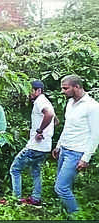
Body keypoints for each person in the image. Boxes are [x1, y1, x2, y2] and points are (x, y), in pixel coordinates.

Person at [52, 75, 99, 214]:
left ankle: (76, 215)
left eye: (65, 88)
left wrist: (86, 158)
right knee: (64, 185)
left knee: (61, 187)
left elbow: (95, 134)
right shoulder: (70, 103)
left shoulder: (92, 107)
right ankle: (64, 212)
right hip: (64, 149)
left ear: (77, 87)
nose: (62, 91)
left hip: (76, 152)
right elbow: (68, 127)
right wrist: (59, 145)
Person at [9, 80, 58, 206]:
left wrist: (39, 130)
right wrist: (46, 132)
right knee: (36, 171)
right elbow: (55, 121)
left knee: (15, 169)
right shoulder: (46, 101)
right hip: (45, 146)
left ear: (38, 91)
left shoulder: (40, 101)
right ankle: (36, 198)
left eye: (30, 90)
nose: (28, 93)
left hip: (35, 146)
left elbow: (50, 114)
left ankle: (17, 198)